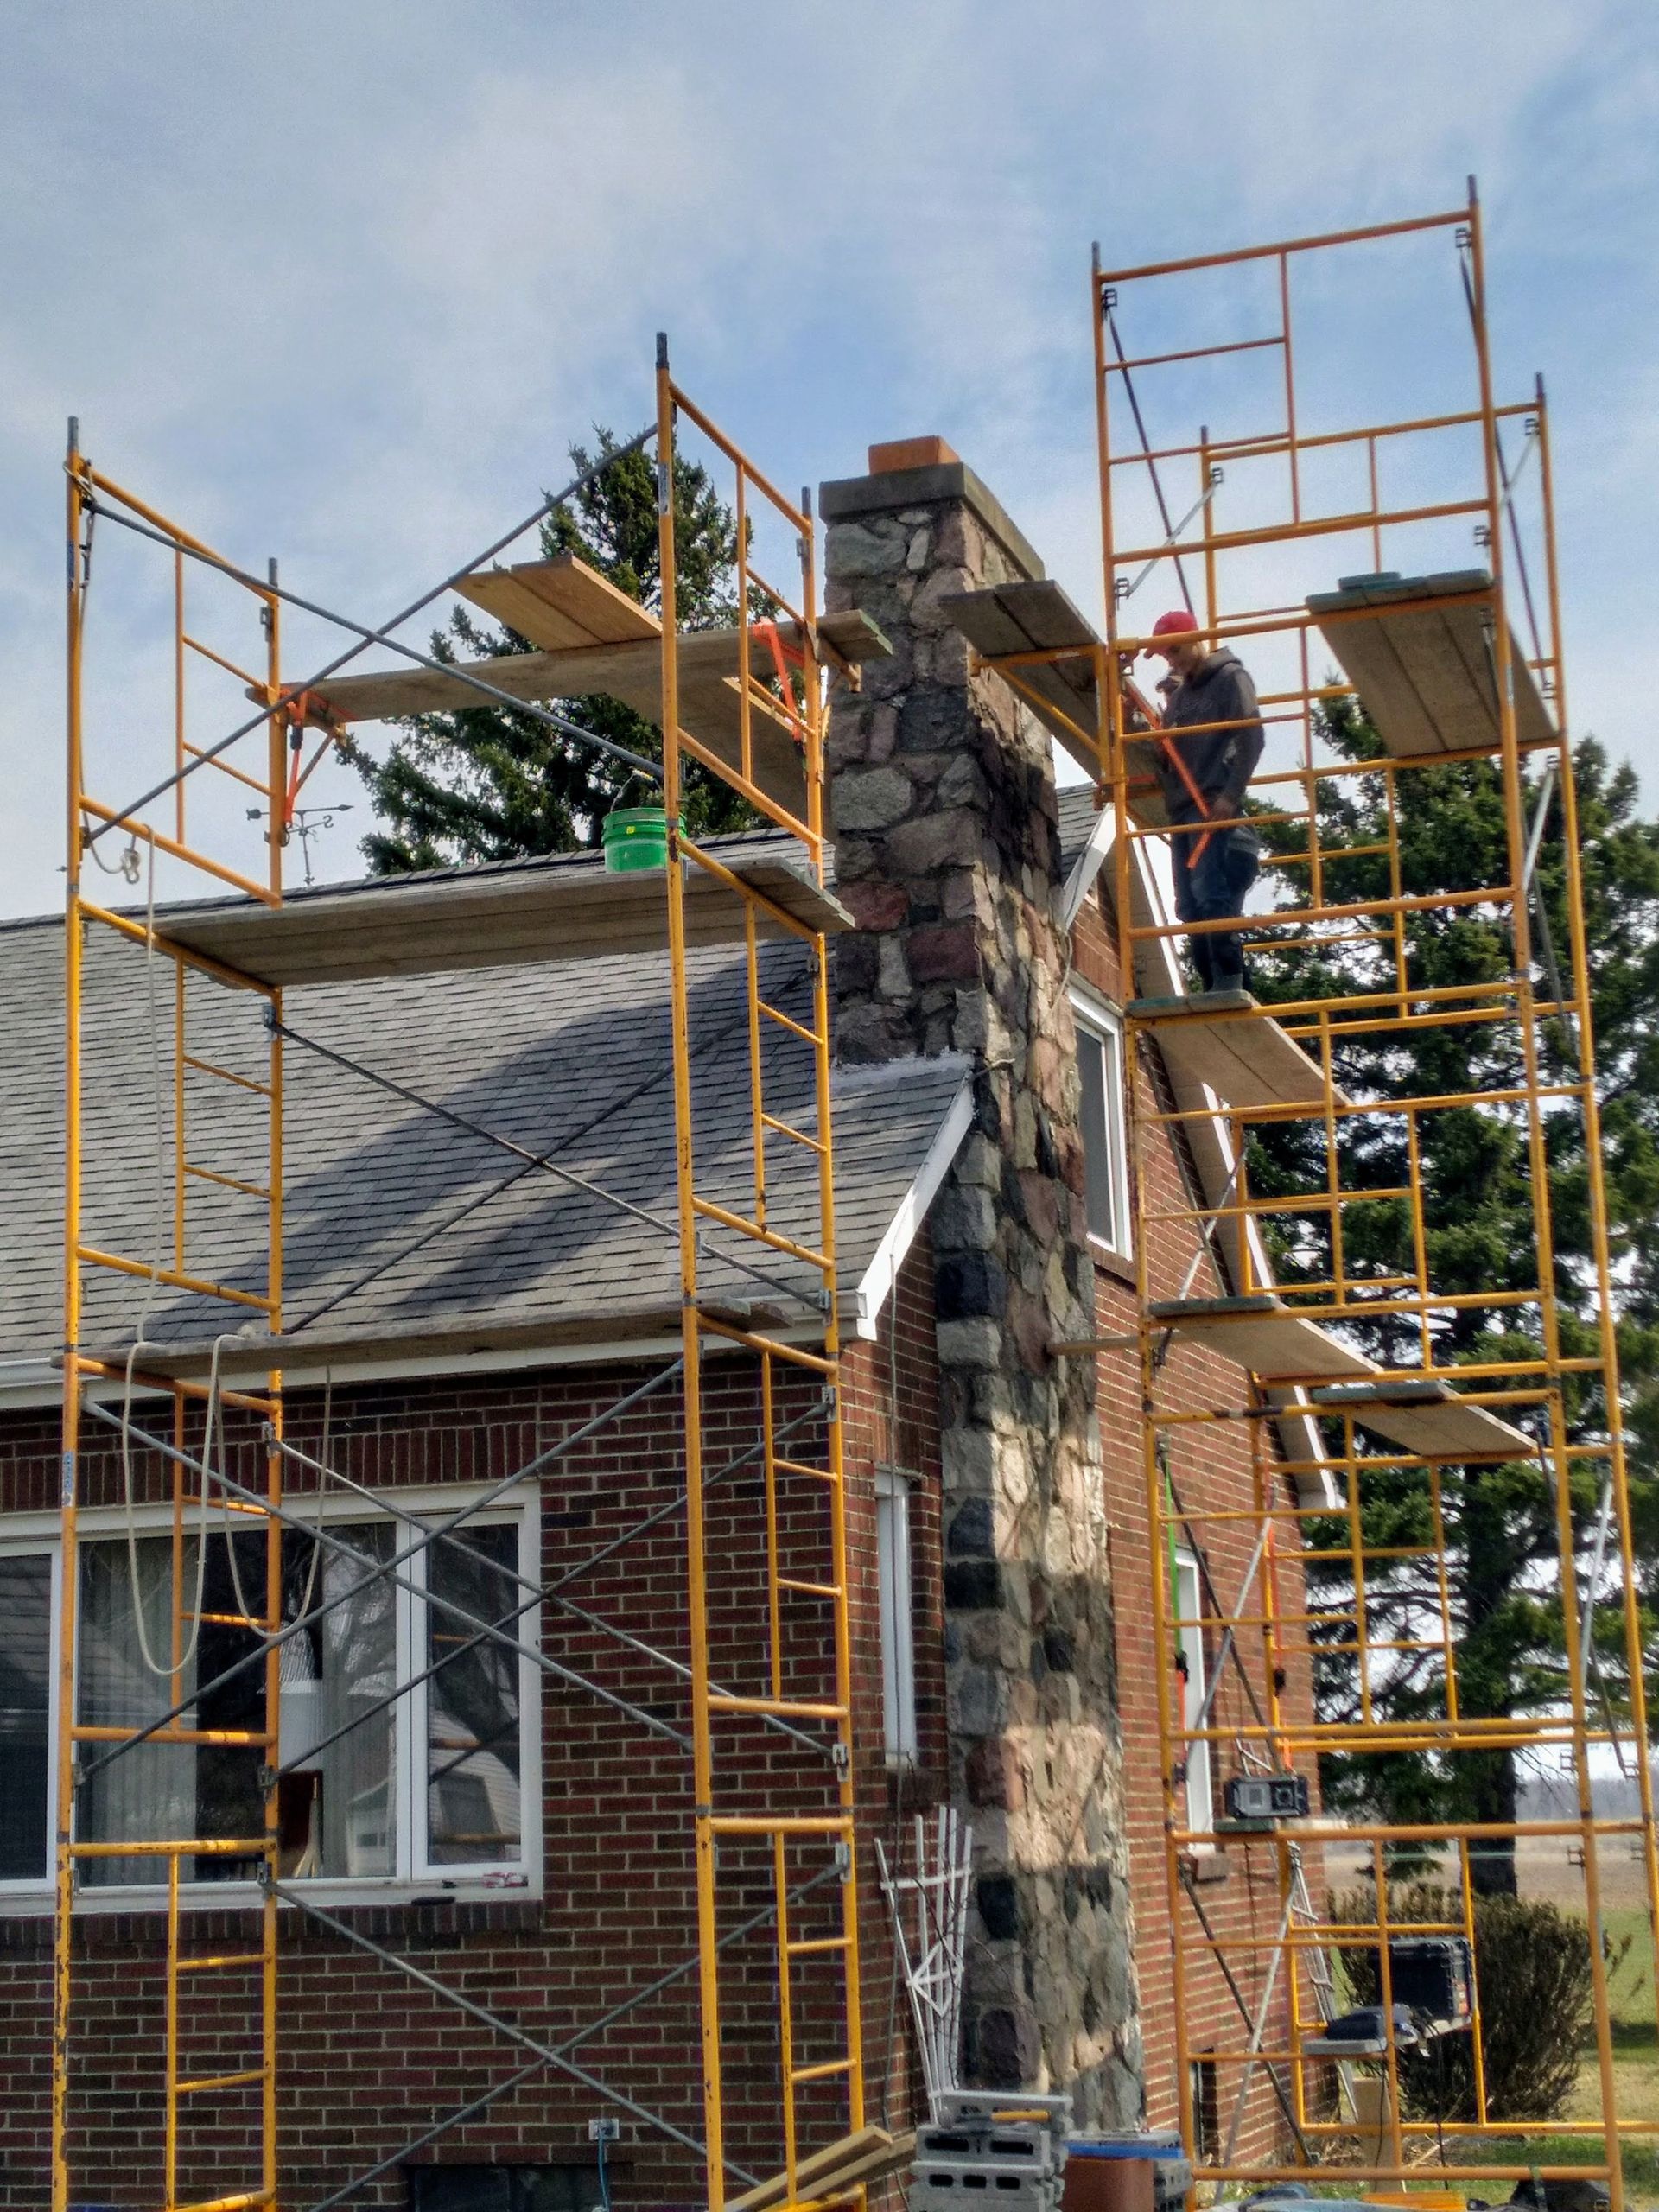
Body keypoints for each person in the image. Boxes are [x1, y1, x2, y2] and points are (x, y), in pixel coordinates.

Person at [1142, 607, 1265, 995]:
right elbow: (1171, 754)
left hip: (1210, 800)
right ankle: (1213, 981)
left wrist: (1231, 796)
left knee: (1209, 891)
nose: (1172, 660)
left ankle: (1228, 979)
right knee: (1188, 904)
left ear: (1197, 640)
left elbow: (1252, 737)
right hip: (1182, 808)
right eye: (1166, 655)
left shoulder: (1230, 678)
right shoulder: (1180, 700)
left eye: (1176, 650)